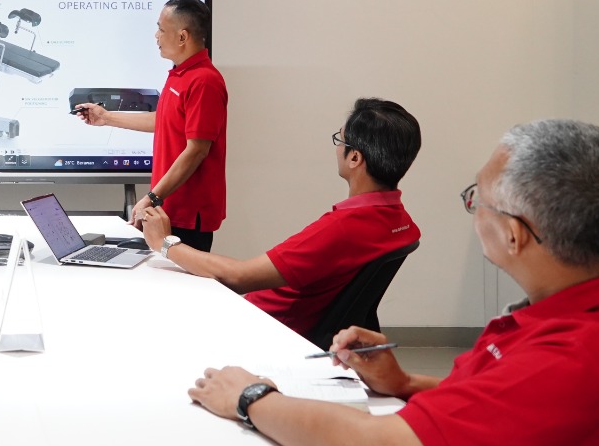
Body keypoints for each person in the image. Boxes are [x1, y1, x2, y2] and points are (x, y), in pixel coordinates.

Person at [186, 119, 599, 446]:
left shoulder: (576, 360)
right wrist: (406, 384)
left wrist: (252, 398)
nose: (472, 210)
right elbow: (516, 408)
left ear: (515, 235)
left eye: (477, 198)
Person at [143, 98, 421, 337]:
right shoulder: (401, 221)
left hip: (267, 327)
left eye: (340, 140)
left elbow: (240, 276)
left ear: (355, 158)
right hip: (291, 324)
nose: (337, 148)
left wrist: (165, 243)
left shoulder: (344, 228)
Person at [72, 0, 226, 251]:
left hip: (187, 214)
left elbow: (197, 149)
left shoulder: (204, 81)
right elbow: (163, 121)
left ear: (182, 37)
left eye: (162, 29)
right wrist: (106, 117)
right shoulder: (179, 75)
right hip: (168, 207)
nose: (156, 36)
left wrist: (153, 197)